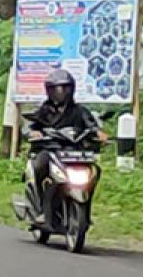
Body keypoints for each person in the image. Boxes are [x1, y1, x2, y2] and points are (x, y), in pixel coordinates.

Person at [25, 69, 106, 223]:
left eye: (65, 88)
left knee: (95, 171)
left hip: (74, 152)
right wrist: (34, 133)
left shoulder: (79, 110)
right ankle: (42, 208)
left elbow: (92, 126)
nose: (60, 92)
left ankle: (86, 208)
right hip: (49, 150)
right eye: (56, 88)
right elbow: (29, 126)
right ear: (49, 90)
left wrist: (99, 134)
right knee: (40, 166)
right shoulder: (44, 110)